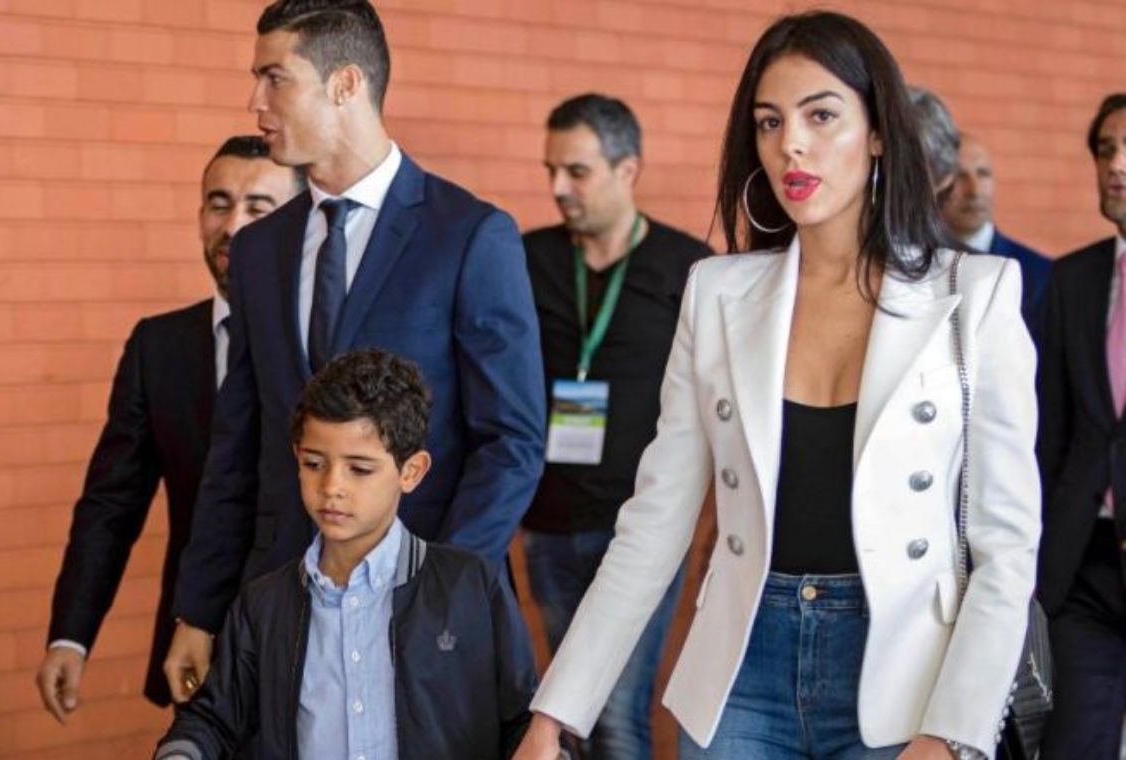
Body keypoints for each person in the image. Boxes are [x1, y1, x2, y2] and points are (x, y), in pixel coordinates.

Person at [514, 11, 1039, 760]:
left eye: (821, 116)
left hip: (907, 677)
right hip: (743, 668)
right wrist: (555, 713)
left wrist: (952, 731)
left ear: (878, 132)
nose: (790, 143)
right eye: (769, 122)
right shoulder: (717, 293)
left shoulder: (976, 295)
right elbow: (655, 520)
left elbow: (1007, 546)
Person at [165, 0, 545, 704]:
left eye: (274, 78)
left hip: (428, 617)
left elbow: (511, 443)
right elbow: (237, 444)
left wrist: (438, 586)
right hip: (284, 605)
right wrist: (199, 609)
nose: (255, 103)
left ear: (345, 84)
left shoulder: (470, 235)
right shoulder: (258, 250)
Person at [152, 349, 538, 759]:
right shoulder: (263, 604)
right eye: (314, 464)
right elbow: (214, 720)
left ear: (411, 472)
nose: (332, 486)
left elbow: (524, 721)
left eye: (360, 469)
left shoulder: (472, 586)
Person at [35, 136, 301, 723]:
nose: (234, 226)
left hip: (313, 649)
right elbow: (112, 503)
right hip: (195, 650)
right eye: (218, 203)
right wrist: (71, 635)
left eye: (259, 208)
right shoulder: (158, 346)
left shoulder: (326, 342)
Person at [522, 92, 711, 759]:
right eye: (551, 170)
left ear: (627, 170)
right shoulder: (528, 258)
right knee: (565, 714)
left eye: (577, 172)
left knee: (617, 717)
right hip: (548, 526)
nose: (558, 188)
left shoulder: (688, 268)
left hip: (642, 529)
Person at [1037, 92, 1126, 760]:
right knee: (1074, 746)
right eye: (1106, 150)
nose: (1116, 165)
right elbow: (1049, 436)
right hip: (1083, 564)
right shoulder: (1072, 279)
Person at [939, 134, 1051, 338]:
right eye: (958, 176)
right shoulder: (914, 269)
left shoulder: (1040, 274)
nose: (974, 191)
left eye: (983, 174)